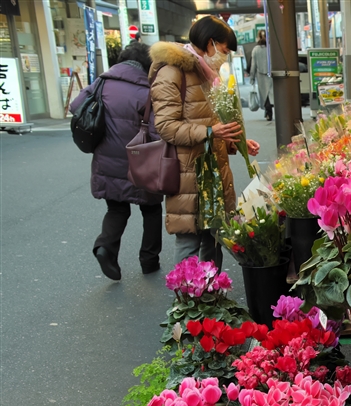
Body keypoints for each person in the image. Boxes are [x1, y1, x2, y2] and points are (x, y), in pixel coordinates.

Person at [148, 16, 260, 266]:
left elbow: (213, 121)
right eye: (224, 50)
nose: (225, 56)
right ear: (210, 43)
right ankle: (187, 290)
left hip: (214, 170)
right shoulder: (171, 72)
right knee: (189, 240)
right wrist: (210, 132)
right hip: (188, 171)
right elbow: (166, 127)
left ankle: (212, 287)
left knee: (215, 237)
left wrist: (236, 142)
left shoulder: (208, 72)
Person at [71, 41, 163, 281]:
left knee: (116, 208)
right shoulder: (147, 91)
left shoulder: (101, 83)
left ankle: (105, 248)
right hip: (141, 161)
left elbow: (76, 106)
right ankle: (149, 261)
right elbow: (157, 131)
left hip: (106, 159)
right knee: (152, 209)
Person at [249, 29, 273, 121]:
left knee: (264, 94)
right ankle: (269, 112)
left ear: (258, 37)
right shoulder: (271, 48)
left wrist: (252, 78)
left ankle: (268, 112)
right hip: (271, 74)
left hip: (260, 75)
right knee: (270, 93)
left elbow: (253, 65)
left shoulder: (255, 49)